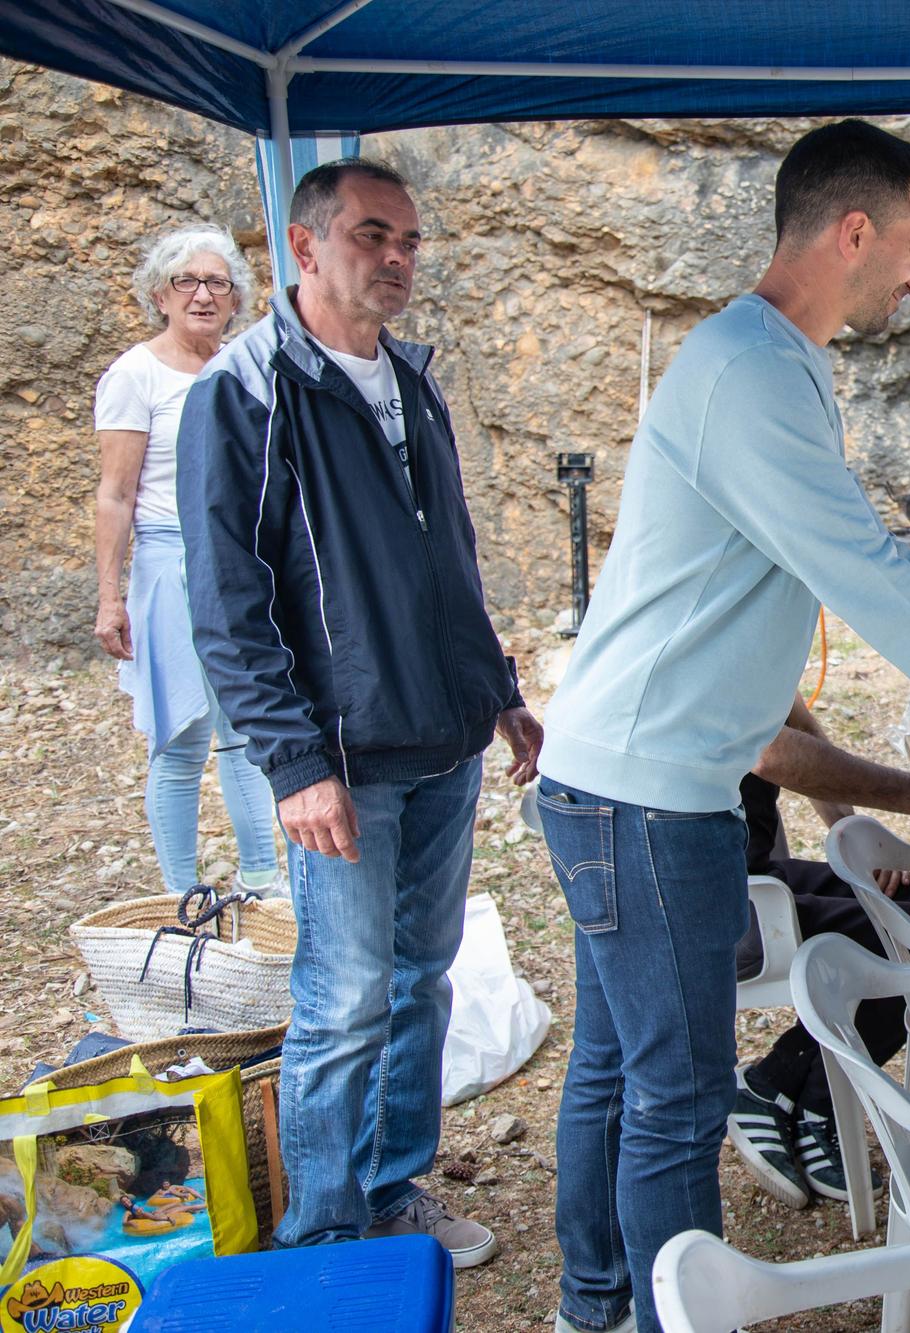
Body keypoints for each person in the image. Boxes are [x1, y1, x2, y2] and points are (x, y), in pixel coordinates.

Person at [532, 119, 910, 1333]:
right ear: (853, 230)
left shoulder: (772, 362)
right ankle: (653, 1314)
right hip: (645, 794)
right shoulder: (747, 370)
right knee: (670, 1093)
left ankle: (592, 1304)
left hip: (630, 779)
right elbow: (862, 569)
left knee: (615, 1069)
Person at [178, 158, 541, 1267]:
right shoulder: (243, 392)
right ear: (303, 245)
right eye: (372, 236)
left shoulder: (413, 379)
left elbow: (451, 564)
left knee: (420, 981)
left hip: (440, 738)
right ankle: (326, 1231)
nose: (396, 259)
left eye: (410, 241)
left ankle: (391, 1186)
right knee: (340, 1002)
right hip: (340, 753)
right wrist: (292, 764)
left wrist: (502, 696)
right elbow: (228, 603)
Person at [723, 693, 910, 1209]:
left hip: (757, 876)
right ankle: (811, 1102)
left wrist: (848, 841)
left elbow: (804, 733)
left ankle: (775, 1083)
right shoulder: (718, 643)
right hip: (729, 903)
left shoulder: (761, 644)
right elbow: (773, 753)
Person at [93, 224, 281, 897]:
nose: (203, 294)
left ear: (236, 299)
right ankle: (180, 893)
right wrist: (110, 596)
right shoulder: (135, 373)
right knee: (180, 736)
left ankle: (263, 886)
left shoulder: (247, 366)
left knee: (250, 726)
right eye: (187, 281)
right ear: (160, 294)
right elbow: (114, 495)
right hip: (170, 563)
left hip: (242, 565)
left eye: (218, 283)